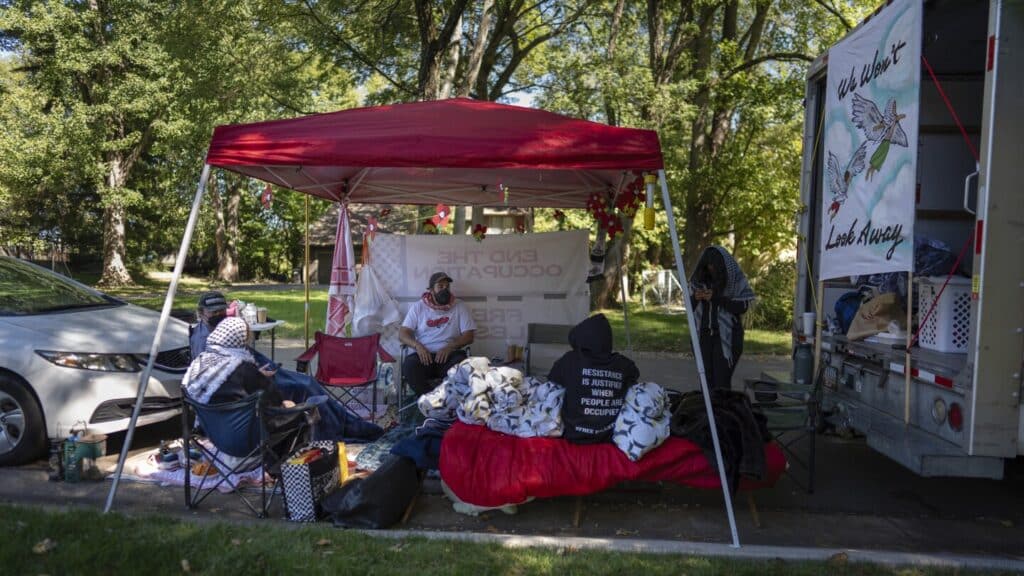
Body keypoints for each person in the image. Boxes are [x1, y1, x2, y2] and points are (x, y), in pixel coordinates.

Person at [190, 291, 383, 443]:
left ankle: (350, 425)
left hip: (257, 374)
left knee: (308, 382)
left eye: (221, 311)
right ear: (201, 313)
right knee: (304, 388)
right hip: (249, 389)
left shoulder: (218, 330)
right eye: (213, 312)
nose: (218, 315)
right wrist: (256, 375)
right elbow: (220, 379)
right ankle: (340, 430)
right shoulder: (204, 340)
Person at [182, 317, 308, 468]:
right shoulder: (242, 367)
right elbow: (274, 401)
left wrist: (256, 374)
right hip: (247, 442)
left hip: (215, 436)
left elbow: (230, 382)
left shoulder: (200, 363)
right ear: (240, 340)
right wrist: (262, 379)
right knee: (301, 411)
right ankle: (282, 468)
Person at [548, 313, 639, 444]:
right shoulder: (623, 364)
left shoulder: (570, 360)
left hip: (573, 434)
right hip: (609, 435)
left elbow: (552, 382)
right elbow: (634, 376)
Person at [398, 271, 476, 395]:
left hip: (449, 356)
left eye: (447, 287)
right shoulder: (418, 307)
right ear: (431, 290)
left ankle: (447, 399)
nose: (445, 290)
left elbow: (469, 336)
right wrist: (417, 346)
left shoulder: (459, 306)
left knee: (462, 365)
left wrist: (450, 347)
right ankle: (431, 399)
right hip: (424, 356)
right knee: (409, 366)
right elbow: (403, 333)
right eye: (440, 286)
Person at [689, 246, 755, 391]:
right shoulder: (698, 281)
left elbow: (742, 306)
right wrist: (695, 298)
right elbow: (689, 308)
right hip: (703, 335)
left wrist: (716, 298)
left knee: (721, 382)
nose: (710, 269)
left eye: (714, 266)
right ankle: (707, 406)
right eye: (708, 266)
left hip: (727, 336)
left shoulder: (734, 280)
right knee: (705, 380)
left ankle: (721, 406)